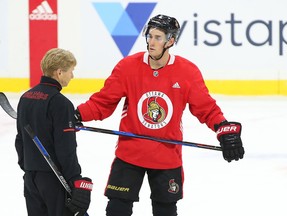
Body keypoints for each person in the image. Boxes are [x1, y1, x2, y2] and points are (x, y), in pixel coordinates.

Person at [75, 14, 245, 216]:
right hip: (130, 154)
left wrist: (223, 129)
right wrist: (77, 114)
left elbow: (206, 108)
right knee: (116, 210)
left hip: (167, 156)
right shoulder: (127, 67)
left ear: (171, 41)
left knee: (165, 211)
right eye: (150, 36)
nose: (151, 42)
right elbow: (103, 102)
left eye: (158, 37)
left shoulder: (187, 72)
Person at [15, 48, 93, 216]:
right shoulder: (60, 103)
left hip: (31, 178)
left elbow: (19, 139)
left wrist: (28, 167)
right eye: (71, 71)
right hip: (54, 179)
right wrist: (74, 179)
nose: (72, 76)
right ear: (59, 72)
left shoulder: (25, 97)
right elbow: (66, 148)